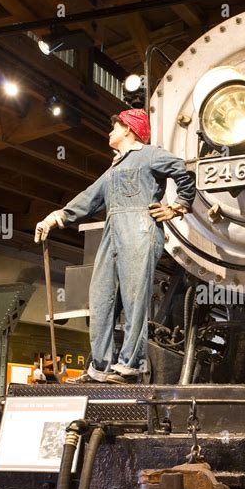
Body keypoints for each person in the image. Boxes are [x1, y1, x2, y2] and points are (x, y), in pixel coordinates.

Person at [34, 108, 196, 383]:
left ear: (129, 129)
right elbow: (90, 197)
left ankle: (130, 366)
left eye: (115, 126)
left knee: (134, 300)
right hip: (112, 232)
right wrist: (57, 217)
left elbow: (184, 172)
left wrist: (178, 207)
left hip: (139, 229)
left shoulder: (150, 154)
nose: (110, 131)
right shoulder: (114, 168)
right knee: (101, 299)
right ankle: (99, 369)